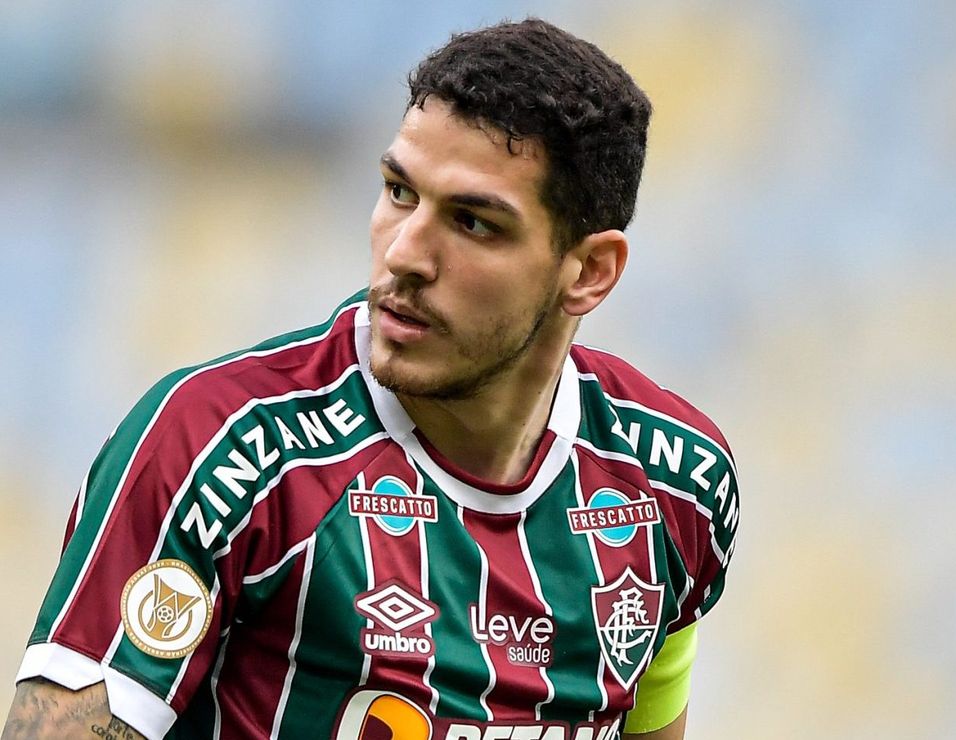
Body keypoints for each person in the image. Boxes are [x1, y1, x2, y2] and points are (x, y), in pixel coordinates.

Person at [3, 18, 739, 740]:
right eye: (399, 191)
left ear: (590, 271)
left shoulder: (676, 485)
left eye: (473, 222)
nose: (405, 255)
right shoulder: (218, 449)